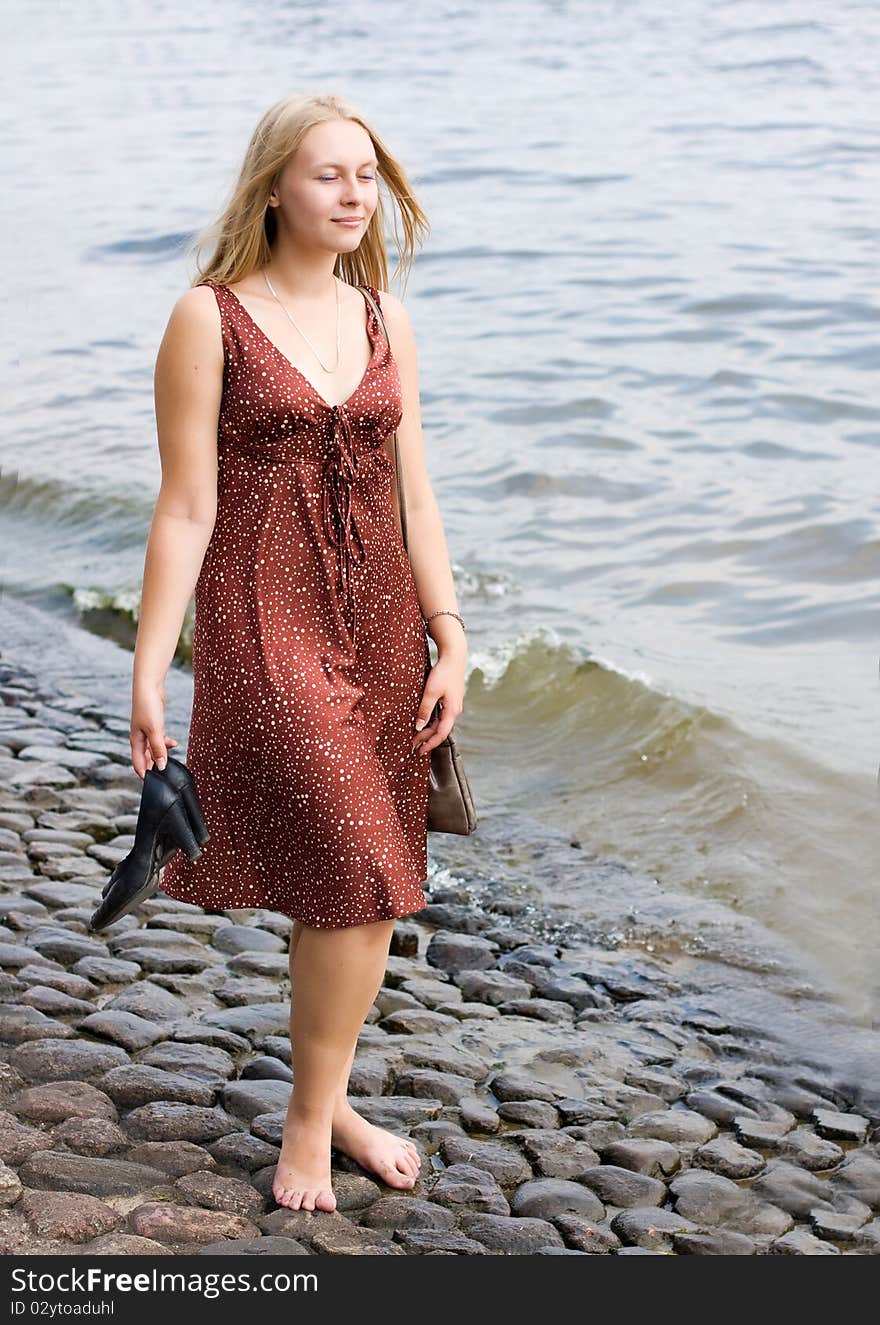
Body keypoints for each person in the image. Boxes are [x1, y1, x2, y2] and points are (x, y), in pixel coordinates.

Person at [127, 92, 468, 1213]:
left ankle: (328, 1105)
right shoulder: (207, 317)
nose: (353, 196)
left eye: (365, 177)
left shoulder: (385, 321)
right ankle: (310, 1125)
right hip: (262, 622)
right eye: (328, 175)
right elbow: (185, 506)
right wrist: (147, 667)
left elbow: (414, 492)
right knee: (361, 860)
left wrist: (449, 632)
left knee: (357, 887)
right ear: (273, 186)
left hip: (376, 622)